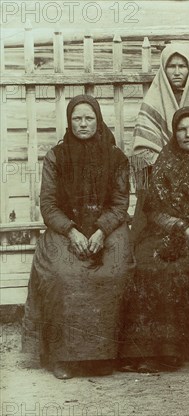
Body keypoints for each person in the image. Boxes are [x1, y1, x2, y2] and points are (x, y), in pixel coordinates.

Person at [21, 95, 133, 379]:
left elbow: (120, 203)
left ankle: (103, 356)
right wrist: (71, 230)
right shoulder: (56, 157)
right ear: (69, 123)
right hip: (66, 229)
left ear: (98, 121)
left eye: (89, 118)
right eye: (77, 119)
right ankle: (63, 358)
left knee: (115, 272)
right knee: (62, 275)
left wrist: (101, 231)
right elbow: (47, 204)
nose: (83, 124)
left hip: (105, 229)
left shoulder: (116, 157)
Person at [119, 107, 189, 373]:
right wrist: (184, 228)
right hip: (169, 233)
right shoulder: (166, 160)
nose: (188, 134)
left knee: (177, 272)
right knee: (146, 267)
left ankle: (168, 353)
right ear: (174, 133)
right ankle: (141, 352)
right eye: (182, 129)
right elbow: (153, 209)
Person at [129, 44, 189, 245]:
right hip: (164, 181)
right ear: (164, 69)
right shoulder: (153, 101)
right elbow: (143, 148)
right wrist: (171, 166)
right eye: (171, 66)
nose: (177, 71)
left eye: (182, 66)